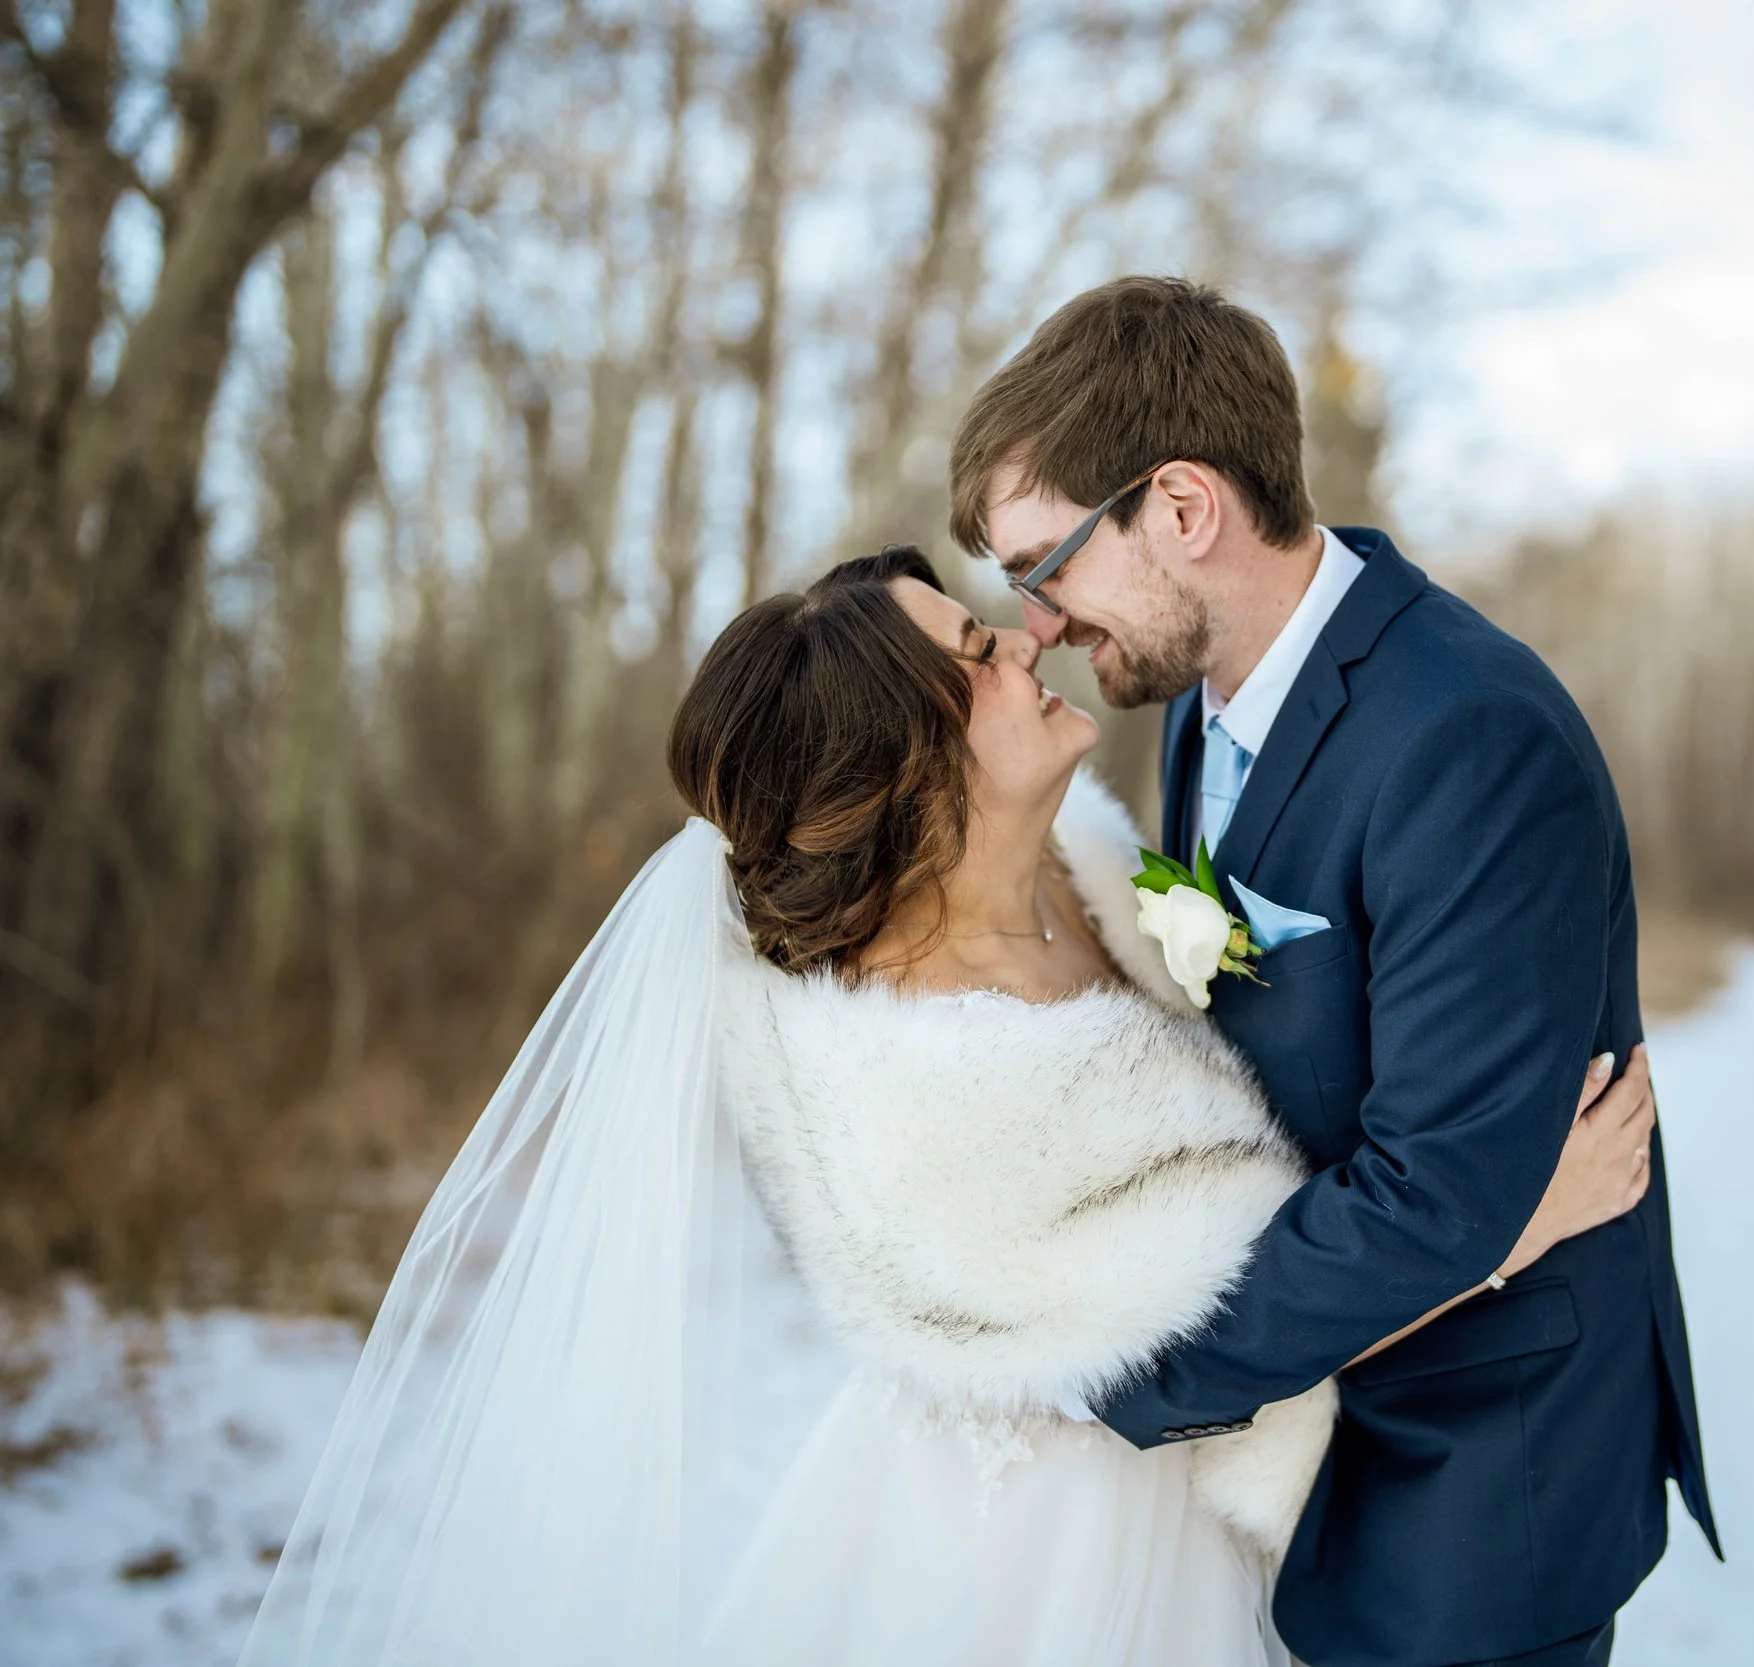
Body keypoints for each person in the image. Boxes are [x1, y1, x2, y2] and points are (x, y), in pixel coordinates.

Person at [234, 544, 1655, 1667]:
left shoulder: (1087, 868)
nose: (1028, 636)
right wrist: (1512, 1219)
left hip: (1204, 1513)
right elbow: (1223, 1324)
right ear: (903, 765)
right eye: (979, 651)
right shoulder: (936, 1094)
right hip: (1063, 1551)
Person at [953, 275, 1720, 1667]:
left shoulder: (1468, 740)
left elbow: (1438, 1195)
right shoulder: (1197, 701)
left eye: (1045, 562)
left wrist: (1120, 1364)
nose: (1043, 622)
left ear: (1182, 508)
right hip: (1302, 1450)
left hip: (1474, 1488)